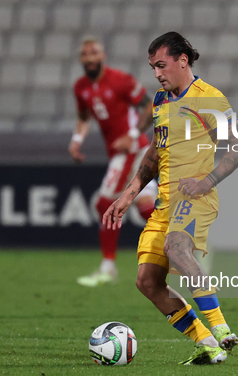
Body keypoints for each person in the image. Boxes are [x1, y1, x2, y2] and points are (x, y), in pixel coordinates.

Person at [103, 32, 238, 365]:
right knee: (147, 282)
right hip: (163, 204)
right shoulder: (160, 100)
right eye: (153, 67)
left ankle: (221, 328)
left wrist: (207, 181)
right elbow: (154, 153)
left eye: (161, 65)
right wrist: (127, 195)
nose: (157, 73)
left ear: (182, 60)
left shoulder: (209, 98)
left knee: (176, 248)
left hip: (196, 196)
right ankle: (208, 343)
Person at [70, 37, 157, 287]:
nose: (89, 57)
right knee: (145, 207)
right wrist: (77, 140)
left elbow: (150, 106)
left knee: (104, 203)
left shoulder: (120, 80)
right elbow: (84, 116)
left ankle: (108, 268)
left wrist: (130, 135)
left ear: (102, 56)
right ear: (81, 59)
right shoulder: (81, 87)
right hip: (124, 151)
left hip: (132, 149)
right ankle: (188, 242)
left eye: (93, 53)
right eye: (84, 54)